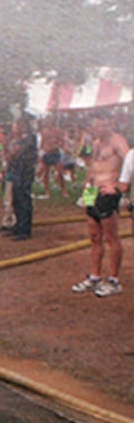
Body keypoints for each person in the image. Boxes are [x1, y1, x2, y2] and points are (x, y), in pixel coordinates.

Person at [69, 117, 128, 296]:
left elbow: (131, 162)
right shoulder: (95, 143)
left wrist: (118, 186)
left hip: (107, 192)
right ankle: (95, 277)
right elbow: (92, 168)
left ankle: (113, 280)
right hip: (92, 192)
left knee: (111, 237)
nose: (101, 128)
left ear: (111, 124)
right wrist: (86, 189)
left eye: (104, 124)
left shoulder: (118, 141)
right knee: (94, 236)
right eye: (97, 126)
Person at [3, 117, 38, 240]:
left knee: (24, 200)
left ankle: (25, 229)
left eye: (15, 125)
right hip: (17, 171)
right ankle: (18, 225)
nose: (14, 128)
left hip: (25, 173)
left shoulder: (29, 138)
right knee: (17, 200)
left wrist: (13, 150)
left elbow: (17, 151)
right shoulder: (19, 139)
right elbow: (9, 153)